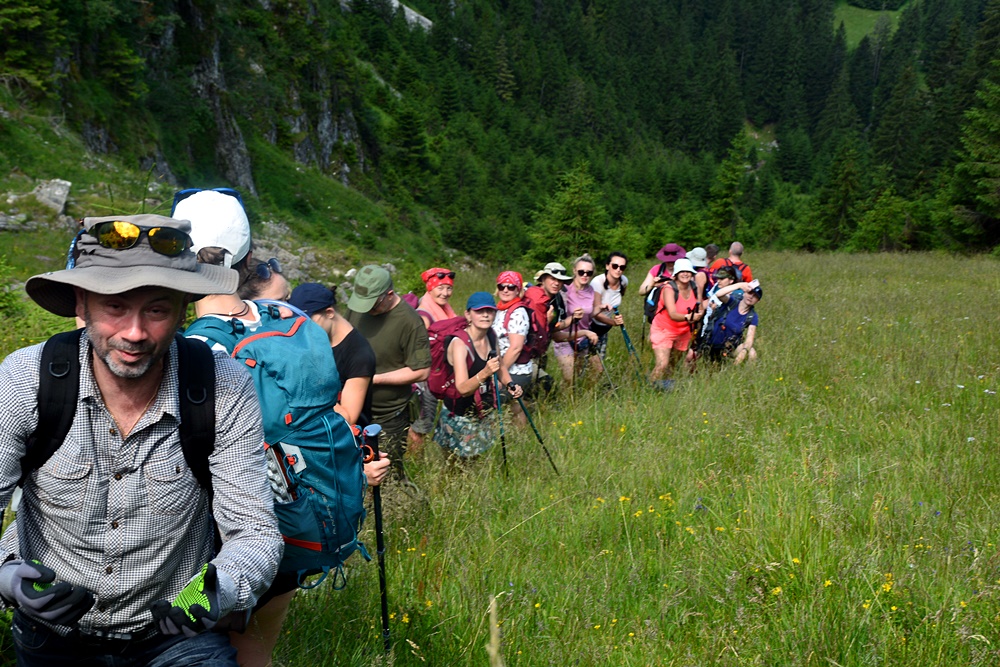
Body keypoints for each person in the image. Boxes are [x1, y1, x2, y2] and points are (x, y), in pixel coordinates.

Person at [0, 214, 283, 666]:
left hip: (176, 636)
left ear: (183, 310)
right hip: (49, 635)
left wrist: (217, 589)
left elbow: (254, 530)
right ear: (82, 303)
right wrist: (7, 577)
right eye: (115, 306)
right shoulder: (25, 379)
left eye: (156, 310)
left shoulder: (223, 386)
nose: (134, 333)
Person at [176, 191, 389, 667]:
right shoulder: (292, 318)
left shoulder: (197, 349)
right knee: (256, 649)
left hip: (236, 534)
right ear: (249, 256)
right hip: (303, 512)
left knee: (199, 646)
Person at [346, 265, 431, 485]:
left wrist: (372, 379)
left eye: (372, 305)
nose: (366, 310)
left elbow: (421, 370)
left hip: (387, 415)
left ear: (389, 295)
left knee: (387, 477)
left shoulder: (410, 322)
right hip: (350, 410)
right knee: (352, 474)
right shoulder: (359, 308)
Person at [436, 293, 522, 459]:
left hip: (481, 411)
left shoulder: (491, 335)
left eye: (489, 311)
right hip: (459, 414)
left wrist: (510, 384)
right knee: (456, 466)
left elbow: (500, 365)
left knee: (476, 461)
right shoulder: (459, 344)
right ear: (468, 315)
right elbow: (462, 388)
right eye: (479, 311)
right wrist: (485, 373)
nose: (485, 315)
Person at [289, 283, 376, 426]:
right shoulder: (315, 338)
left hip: (342, 435)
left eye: (307, 321)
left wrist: (311, 387)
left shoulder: (359, 355)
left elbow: (348, 418)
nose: (301, 329)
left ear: (329, 313)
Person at [409, 267, 457, 451]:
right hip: (424, 379)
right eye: (440, 288)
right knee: (420, 428)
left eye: (449, 288)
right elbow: (417, 350)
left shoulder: (444, 309)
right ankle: (415, 463)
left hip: (438, 376)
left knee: (426, 425)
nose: (445, 293)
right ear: (430, 288)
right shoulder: (424, 314)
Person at [649, 258, 704, 389]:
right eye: (682, 271)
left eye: (688, 271)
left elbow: (700, 307)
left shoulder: (695, 287)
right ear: (676, 274)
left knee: (673, 364)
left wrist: (698, 315)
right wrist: (689, 317)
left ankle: (666, 388)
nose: (685, 274)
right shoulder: (669, 289)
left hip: (683, 331)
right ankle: (649, 388)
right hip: (663, 329)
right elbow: (672, 314)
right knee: (662, 364)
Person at [551, 254, 602, 386]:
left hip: (583, 338)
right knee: (570, 377)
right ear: (574, 270)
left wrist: (600, 309)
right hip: (565, 337)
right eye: (581, 272)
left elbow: (589, 314)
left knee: (596, 370)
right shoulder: (564, 289)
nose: (585, 275)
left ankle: (587, 393)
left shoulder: (591, 291)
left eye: (589, 273)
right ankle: (566, 396)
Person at [492, 271, 532, 425]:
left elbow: (515, 348)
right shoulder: (500, 309)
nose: (506, 290)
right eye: (501, 286)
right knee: (516, 407)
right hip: (507, 369)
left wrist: (500, 375)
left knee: (492, 403)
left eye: (511, 287)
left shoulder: (518, 313)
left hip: (515, 371)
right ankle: (520, 437)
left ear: (518, 290)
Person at [706, 281, 762, 364]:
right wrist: (739, 285)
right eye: (750, 293)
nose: (751, 297)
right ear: (744, 293)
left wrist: (744, 351)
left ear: (758, 301)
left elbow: (750, 338)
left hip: (729, 348)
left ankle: (744, 371)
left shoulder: (752, 316)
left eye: (755, 296)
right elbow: (718, 294)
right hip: (712, 343)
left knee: (752, 352)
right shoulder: (732, 302)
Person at [589, 251, 627, 360]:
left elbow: (618, 298)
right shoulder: (597, 282)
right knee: (592, 363)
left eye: (622, 267)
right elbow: (596, 313)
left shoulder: (624, 281)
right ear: (607, 266)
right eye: (615, 266)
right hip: (591, 327)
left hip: (605, 329)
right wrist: (613, 322)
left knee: (599, 363)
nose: (618, 269)